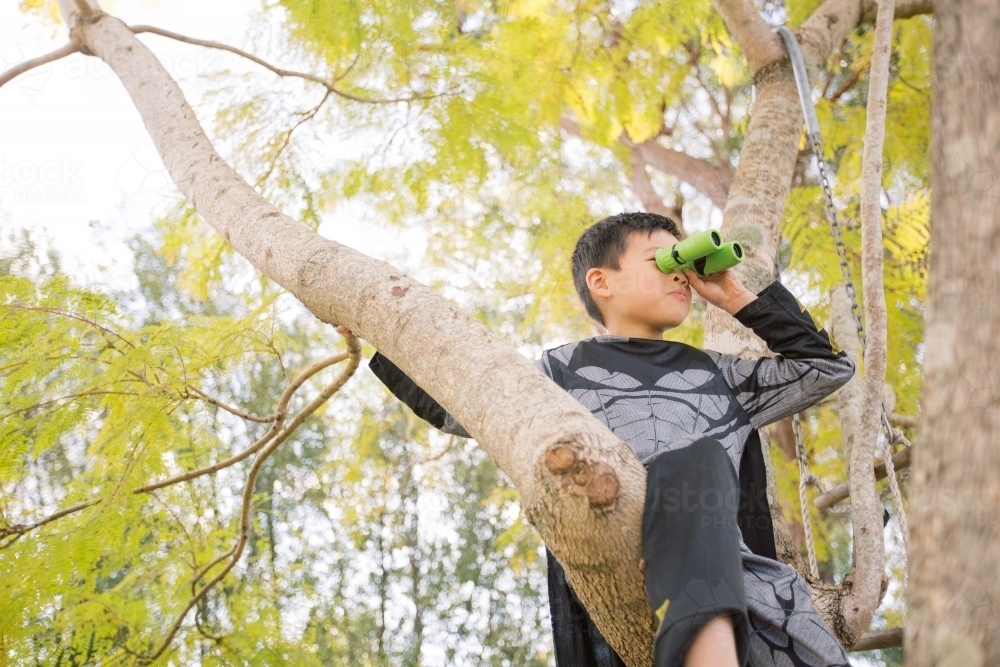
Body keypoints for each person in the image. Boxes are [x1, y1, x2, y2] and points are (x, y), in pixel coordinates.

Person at [342, 211, 856, 667]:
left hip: (748, 593)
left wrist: (737, 297)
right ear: (601, 282)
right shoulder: (558, 370)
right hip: (619, 569)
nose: (680, 272)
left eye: (683, 259)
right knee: (693, 461)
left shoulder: (719, 374)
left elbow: (826, 369)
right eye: (662, 259)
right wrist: (374, 323)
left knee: (697, 466)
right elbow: (461, 403)